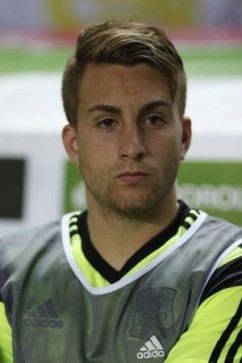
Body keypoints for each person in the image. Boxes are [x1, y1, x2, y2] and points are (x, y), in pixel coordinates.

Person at [0, 19, 241, 363]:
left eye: (153, 119)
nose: (132, 146)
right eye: (107, 123)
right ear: (74, 143)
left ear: (184, 137)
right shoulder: (9, 269)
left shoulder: (227, 267)